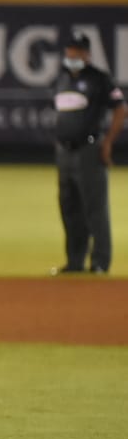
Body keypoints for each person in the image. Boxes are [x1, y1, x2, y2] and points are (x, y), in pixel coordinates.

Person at [50, 31, 127, 275]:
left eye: (77, 50)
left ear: (86, 53)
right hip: (65, 152)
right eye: (70, 50)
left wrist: (108, 142)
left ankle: (100, 262)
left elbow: (120, 109)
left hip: (89, 150)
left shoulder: (99, 79)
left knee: (94, 208)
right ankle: (75, 262)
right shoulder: (61, 78)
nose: (72, 54)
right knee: (69, 207)